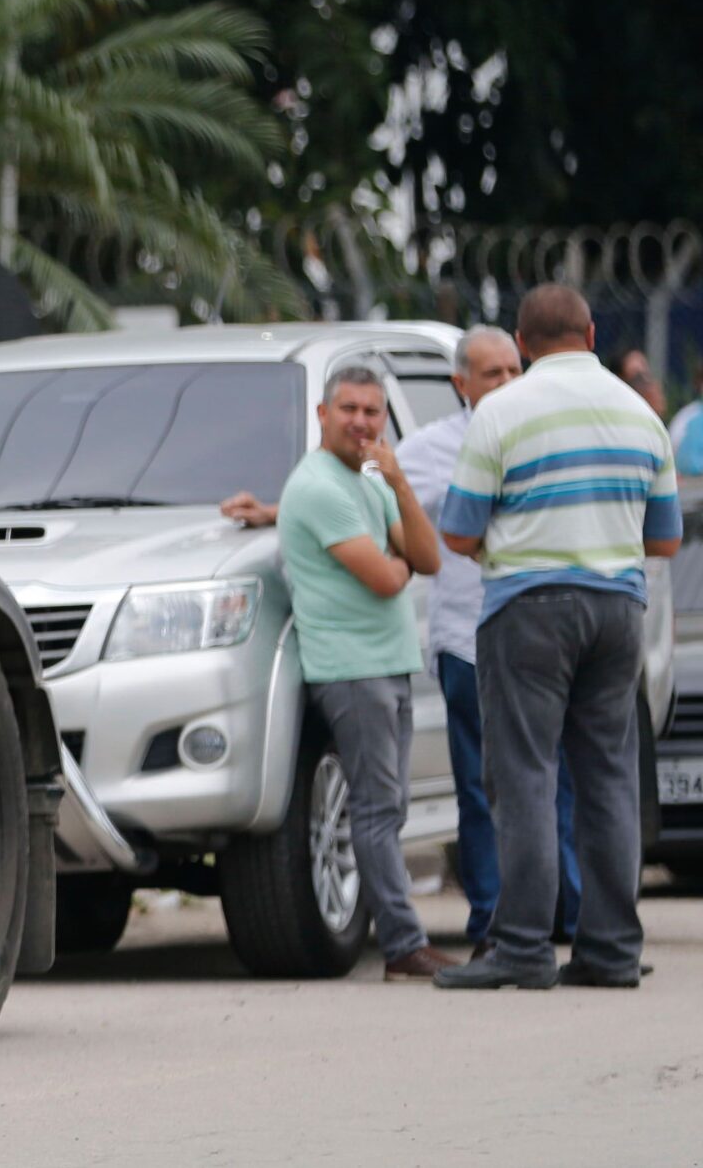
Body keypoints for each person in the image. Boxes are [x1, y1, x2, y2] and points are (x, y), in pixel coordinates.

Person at [434, 285, 682, 991]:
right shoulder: (642, 415)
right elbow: (663, 538)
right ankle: (608, 951)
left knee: (524, 776)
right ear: (593, 332)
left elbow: (456, 529)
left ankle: (522, 946)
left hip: (528, 608)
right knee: (607, 777)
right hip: (616, 612)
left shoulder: (501, 411)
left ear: (521, 343)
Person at [395, 325, 580, 959]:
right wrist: (287, 505)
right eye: (491, 374)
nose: (505, 383)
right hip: (468, 638)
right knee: (480, 787)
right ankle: (493, 921)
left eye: (513, 370)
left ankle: (567, 915)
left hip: (544, 635)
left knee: (556, 779)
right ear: (461, 384)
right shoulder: (433, 446)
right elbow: (367, 474)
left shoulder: (552, 431)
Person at [271, 362, 452, 979]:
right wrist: (397, 562)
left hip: (388, 664)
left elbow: (427, 556)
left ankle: (403, 939)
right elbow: (385, 578)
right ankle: (403, 945)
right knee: (376, 811)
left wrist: (398, 484)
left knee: (388, 807)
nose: (360, 422)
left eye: (372, 411)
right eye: (348, 409)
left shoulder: (373, 477)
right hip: (351, 669)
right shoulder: (318, 485)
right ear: (323, 415)